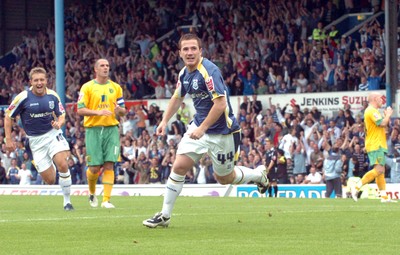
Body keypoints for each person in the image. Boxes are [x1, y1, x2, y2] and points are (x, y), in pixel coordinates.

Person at [142, 33, 269, 228]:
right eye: (186, 49)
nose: (190, 52)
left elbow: (220, 104)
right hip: (199, 126)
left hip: (222, 132)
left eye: (194, 48)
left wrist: (202, 128)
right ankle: (164, 216)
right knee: (179, 166)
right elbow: (177, 97)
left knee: (224, 178)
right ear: (180, 53)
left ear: (201, 51)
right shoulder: (184, 73)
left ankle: (258, 175)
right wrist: (164, 120)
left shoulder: (209, 71)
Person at [4, 67, 74, 210]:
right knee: (50, 180)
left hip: (52, 135)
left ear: (46, 81)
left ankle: (67, 202)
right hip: (35, 141)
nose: (39, 83)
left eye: (42, 80)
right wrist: (8, 139)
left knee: (62, 163)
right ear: (31, 82)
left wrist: (59, 124)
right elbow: (8, 115)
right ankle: (49, 163)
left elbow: (61, 115)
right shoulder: (23, 97)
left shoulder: (53, 96)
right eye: (36, 80)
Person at [77, 58, 127, 208]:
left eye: (107, 66)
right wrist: (98, 112)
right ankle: (92, 193)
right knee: (94, 168)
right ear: (96, 69)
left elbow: (123, 110)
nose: (105, 68)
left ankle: (106, 200)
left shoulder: (116, 87)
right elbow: (80, 109)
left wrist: (120, 111)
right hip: (93, 129)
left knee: (109, 164)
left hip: (111, 129)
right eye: (102, 66)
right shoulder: (87, 87)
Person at [351, 92, 396, 202]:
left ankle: (383, 196)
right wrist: (388, 114)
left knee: (381, 170)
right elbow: (382, 124)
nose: (382, 100)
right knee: (379, 170)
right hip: (376, 144)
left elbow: (383, 127)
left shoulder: (372, 111)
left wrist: (386, 117)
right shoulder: (371, 111)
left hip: (377, 143)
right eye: (381, 98)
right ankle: (356, 186)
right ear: (375, 99)